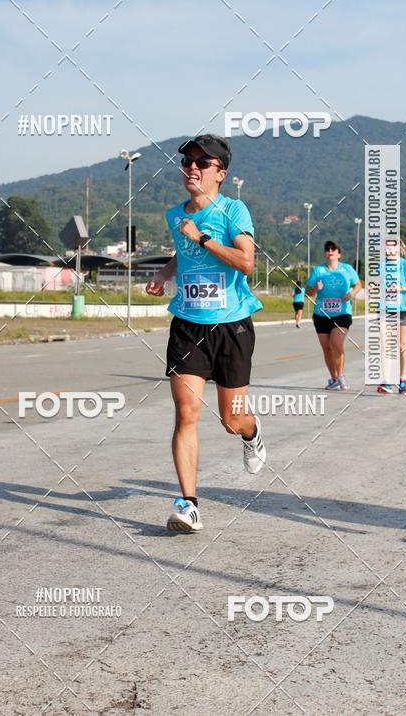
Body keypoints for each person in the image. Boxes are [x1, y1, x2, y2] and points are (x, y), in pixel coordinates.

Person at [146, 134, 265, 534]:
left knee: (232, 420)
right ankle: (189, 504)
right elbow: (184, 255)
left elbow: (246, 262)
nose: (192, 168)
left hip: (232, 326)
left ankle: (251, 433)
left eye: (202, 162)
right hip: (187, 324)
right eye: (187, 162)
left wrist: (203, 236)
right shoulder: (175, 215)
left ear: (221, 173)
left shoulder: (233, 210)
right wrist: (164, 274)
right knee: (186, 413)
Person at [305, 240, 362, 391]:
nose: (330, 251)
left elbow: (358, 285)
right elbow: (308, 292)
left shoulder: (347, 269)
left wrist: (352, 294)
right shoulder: (318, 270)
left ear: (339, 254)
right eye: (327, 249)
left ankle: (341, 375)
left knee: (336, 344)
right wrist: (315, 288)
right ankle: (334, 378)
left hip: (342, 313)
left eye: (333, 249)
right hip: (321, 314)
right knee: (327, 348)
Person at [377, 239, 406, 395]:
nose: (389, 250)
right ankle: (387, 381)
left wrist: (401, 288)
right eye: (387, 247)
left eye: (392, 247)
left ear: (398, 249)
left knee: (401, 345)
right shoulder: (380, 266)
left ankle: (403, 379)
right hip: (385, 310)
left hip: (403, 309)